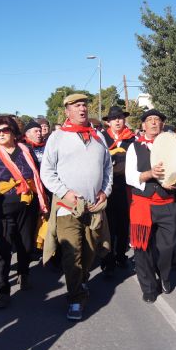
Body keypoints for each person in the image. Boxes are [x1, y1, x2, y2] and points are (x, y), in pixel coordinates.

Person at [40, 93, 112, 320]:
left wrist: (105, 191)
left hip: (93, 207)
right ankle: (75, 298)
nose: (82, 109)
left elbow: (108, 170)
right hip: (66, 208)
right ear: (67, 111)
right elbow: (47, 172)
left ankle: (80, 283)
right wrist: (65, 193)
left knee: (90, 253)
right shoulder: (57, 137)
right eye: (77, 105)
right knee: (72, 255)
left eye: (84, 105)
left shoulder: (99, 136)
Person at [0, 116, 48, 308]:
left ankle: (24, 273)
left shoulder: (26, 150)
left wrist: (41, 201)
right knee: (2, 249)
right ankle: (2, 289)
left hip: (27, 206)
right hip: (2, 208)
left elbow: (36, 173)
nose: (1, 134)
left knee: (26, 244)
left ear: (13, 132)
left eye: (5, 130)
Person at [125, 109, 176, 303]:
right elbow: (130, 177)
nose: (153, 123)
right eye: (149, 120)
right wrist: (150, 174)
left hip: (167, 204)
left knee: (166, 248)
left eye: (157, 120)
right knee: (142, 250)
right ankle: (149, 288)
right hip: (143, 205)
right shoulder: (134, 147)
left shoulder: (173, 146)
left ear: (162, 124)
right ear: (143, 125)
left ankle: (165, 276)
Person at [100, 105, 135, 275]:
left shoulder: (132, 139)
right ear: (108, 122)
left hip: (126, 187)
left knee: (123, 225)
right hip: (107, 186)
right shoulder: (101, 138)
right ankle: (107, 261)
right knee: (108, 227)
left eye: (121, 118)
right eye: (114, 118)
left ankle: (120, 256)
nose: (118, 121)